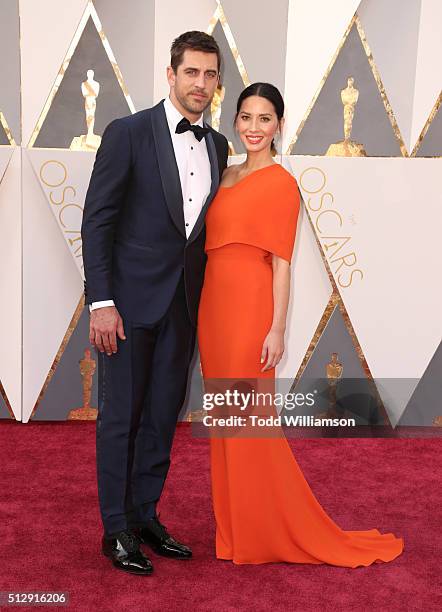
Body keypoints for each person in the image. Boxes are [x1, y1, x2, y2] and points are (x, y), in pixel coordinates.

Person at [197, 82, 404, 566]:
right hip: (212, 309)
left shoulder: (282, 184)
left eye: (264, 119)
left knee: (249, 421)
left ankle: (263, 530)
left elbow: (282, 263)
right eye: (246, 118)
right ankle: (234, 530)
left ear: (279, 125)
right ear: (235, 122)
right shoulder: (222, 176)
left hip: (250, 311)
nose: (253, 128)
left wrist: (276, 329)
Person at [81, 31, 229, 575]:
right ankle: (115, 529)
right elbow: (98, 220)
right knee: (121, 417)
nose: (201, 84)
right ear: (171, 75)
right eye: (192, 72)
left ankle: (144, 515)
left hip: (184, 308)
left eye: (211, 75)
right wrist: (102, 301)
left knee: (162, 417)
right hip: (126, 305)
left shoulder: (217, 145)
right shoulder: (128, 132)